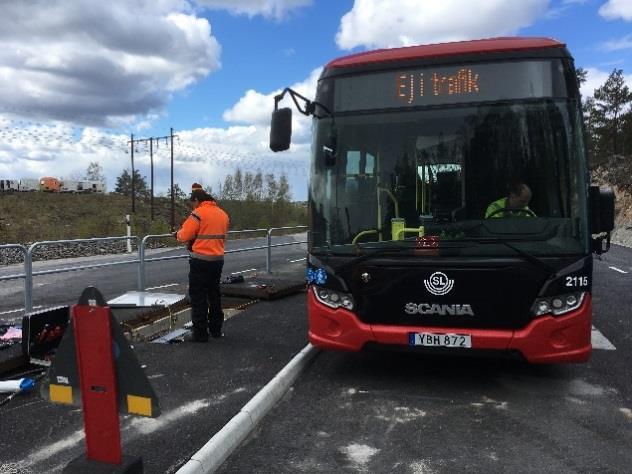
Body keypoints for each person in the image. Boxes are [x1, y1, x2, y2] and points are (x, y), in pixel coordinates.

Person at [175, 183, 230, 342]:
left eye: (193, 202)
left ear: (197, 200)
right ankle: (216, 330)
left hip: (200, 261)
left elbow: (184, 235)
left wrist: (176, 235)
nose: (193, 205)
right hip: (217, 261)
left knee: (198, 296)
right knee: (214, 294)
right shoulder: (223, 214)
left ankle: (200, 334)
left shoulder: (198, 214)